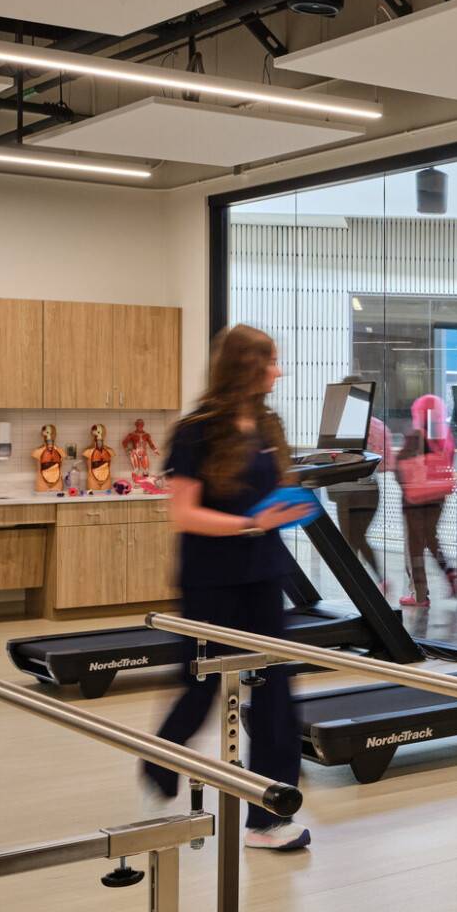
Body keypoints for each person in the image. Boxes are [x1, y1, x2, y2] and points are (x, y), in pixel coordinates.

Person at [144, 325, 316, 850]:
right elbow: (183, 513)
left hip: (264, 573)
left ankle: (268, 815)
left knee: (275, 689)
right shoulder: (195, 430)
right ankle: (160, 759)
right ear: (246, 366)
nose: (279, 373)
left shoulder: (268, 424)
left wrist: (286, 508)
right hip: (211, 577)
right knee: (199, 685)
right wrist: (248, 525)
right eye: (271, 363)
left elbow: (270, 494)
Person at [325, 374, 391, 595]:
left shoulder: (338, 426)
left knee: (351, 540)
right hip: (370, 489)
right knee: (356, 537)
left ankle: (359, 588)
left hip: (347, 489)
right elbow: (385, 462)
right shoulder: (378, 426)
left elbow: (329, 459)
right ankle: (375, 582)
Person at [395, 393, 457, 612]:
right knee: (431, 538)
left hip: (415, 499)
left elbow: (399, 465)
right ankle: (449, 571)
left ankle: (420, 595)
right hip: (438, 497)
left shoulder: (416, 435)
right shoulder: (446, 436)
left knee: (414, 546)